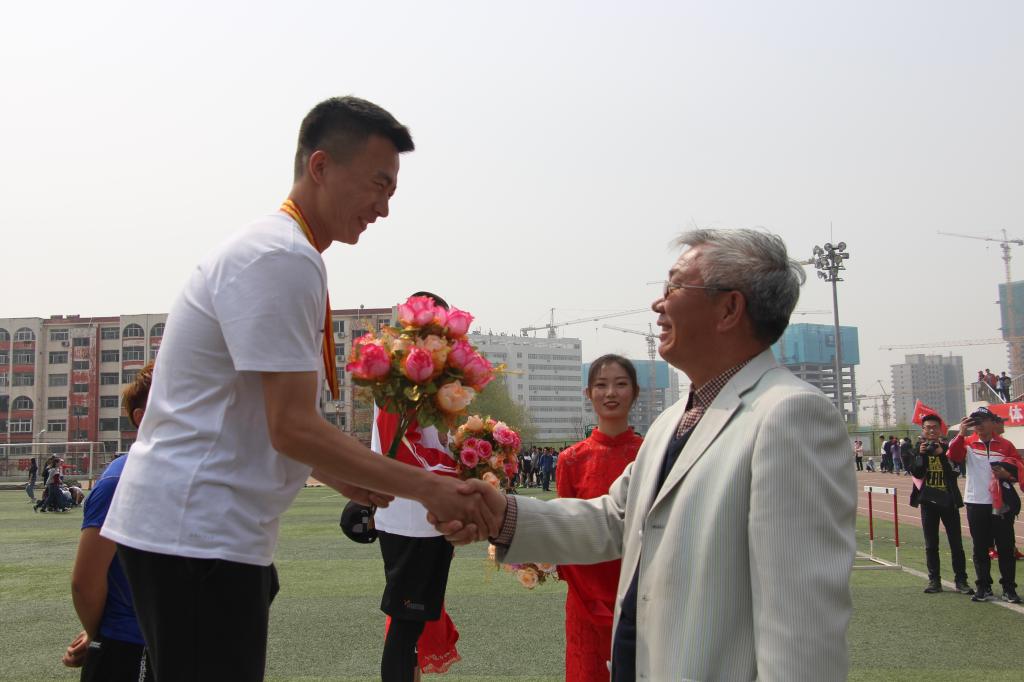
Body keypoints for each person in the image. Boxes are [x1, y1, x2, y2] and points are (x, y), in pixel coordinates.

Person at [100, 96, 496, 681]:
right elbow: (290, 425)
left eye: (392, 192)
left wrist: (342, 476)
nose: (384, 208)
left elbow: (258, 415)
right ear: (321, 166)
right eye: (378, 185)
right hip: (198, 532)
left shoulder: (281, 251)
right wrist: (426, 489)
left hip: (197, 531)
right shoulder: (283, 256)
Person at [438, 229, 856, 680]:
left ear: (729, 309)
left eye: (674, 287)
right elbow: (615, 519)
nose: (658, 305)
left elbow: (801, 630)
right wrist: (501, 515)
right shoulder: (675, 418)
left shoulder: (789, 415)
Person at [369, 292, 461, 682]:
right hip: (410, 516)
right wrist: (459, 473)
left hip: (424, 515)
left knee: (412, 626)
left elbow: (430, 441)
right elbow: (402, 449)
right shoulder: (401, 373)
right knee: (406, 627)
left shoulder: (424, 374)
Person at [62, 364, 155, 680]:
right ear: (141, 417)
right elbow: (85, 581)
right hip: (130, 647)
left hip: (180, 642)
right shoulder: (120, 481)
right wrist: (97, 633)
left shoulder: (188, 474)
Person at [555, 354, 643, 682]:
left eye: (620, 384)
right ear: (588, 393)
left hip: (641, 596)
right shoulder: (571, 460)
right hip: (585, 599)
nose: (611, 393)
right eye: (601, 385)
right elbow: (566, 532)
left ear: (635, 392)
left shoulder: (651, 454)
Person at [947, 407, 1023, 603]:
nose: (978, 424)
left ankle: (1009, 589)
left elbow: (1019, 468)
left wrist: (1008, 475)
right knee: (980, 547)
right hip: (976, 502)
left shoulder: (1006, 445)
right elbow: (953, 456)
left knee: (1005, 547)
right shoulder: (967, 442)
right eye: (975, 421)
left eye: (982, 420)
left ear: (992, 422)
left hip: (1001, 503)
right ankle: (983, 587)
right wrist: (961, 433)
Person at [908, 413, 973, 595]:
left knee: (956, 543)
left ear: (940, 429)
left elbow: (955, 471)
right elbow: (916, 473)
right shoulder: (917, 449)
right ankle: (934, 581)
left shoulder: (948, 448)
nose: (931, 430)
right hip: (928, 503)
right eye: (928, 427)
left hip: (948, 501)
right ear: (923, 430)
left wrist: (942, 455)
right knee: (931, 544)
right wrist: (921, 455)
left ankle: (961, 581)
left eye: (935, 427)